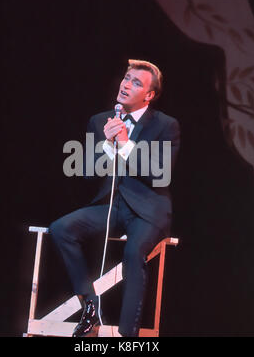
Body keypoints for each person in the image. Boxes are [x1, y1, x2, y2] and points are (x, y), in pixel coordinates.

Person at [49, 59, 180, 337]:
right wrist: (106, 146)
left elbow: (160, 172)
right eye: (126, 78)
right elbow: (86, 173)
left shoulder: (166, 125)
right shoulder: (99, 121)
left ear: (149, 95)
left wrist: (125, 144)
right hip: (111, 205)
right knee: (61, 229)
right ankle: (90, 308)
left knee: (134, 253)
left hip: (147, 210)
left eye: (136, 82)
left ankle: (127, 335)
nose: (126, 84)